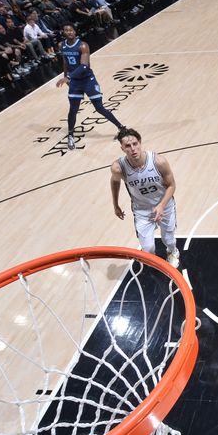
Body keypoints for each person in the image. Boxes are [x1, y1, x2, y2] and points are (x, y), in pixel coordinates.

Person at [110, 128, 180, 267]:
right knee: (148, 249)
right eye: (128, 146)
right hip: (141, 210)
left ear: (140, 143)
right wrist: (115, 204)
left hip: (164, 205)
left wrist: (161, 206)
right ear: (122, 148)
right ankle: (155, 263)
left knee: (169, 239)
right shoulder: (118, 168)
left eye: (135, 144)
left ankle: (172, 251)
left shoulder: (158, 161)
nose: (133, 149)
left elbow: (171, 185)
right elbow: (115, 181)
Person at [55, 22, 125, 150]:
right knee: (73, 110)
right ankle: (70, 135)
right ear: (63, 32)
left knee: (99, 107)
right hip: (74, 81)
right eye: (66, 30)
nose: (69, 32)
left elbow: (84, 66)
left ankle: (121, 128)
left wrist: (68, 77)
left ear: (75, 32)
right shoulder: (61, 45)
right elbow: (65, 62)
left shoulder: (83, 45)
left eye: (71, 30)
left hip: (88, 80)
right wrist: (66, 76)